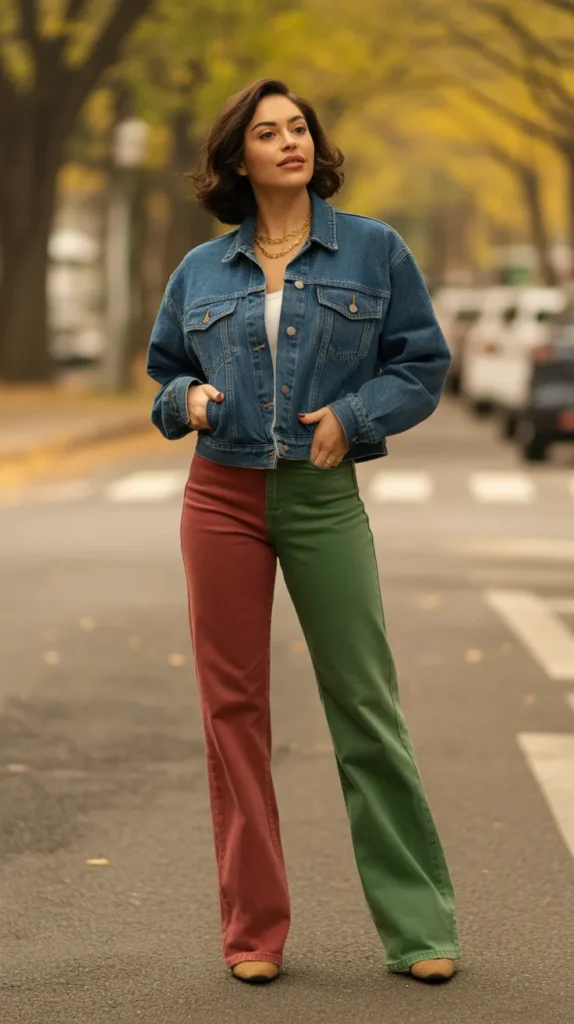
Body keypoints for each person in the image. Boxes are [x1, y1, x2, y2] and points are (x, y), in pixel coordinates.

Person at [146, 78, 460, 986]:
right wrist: (189, 399)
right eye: (267, 131)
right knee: (233, 714)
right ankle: (254, 931)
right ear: (238, 156)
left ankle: (417, 928)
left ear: (315, 148)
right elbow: (166, 374)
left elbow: (421, 363)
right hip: (221, 498)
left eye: (299, 129)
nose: (288, 142)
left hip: (321, 497)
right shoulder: (201, 270)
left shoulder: (374, 249)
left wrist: (354, 418)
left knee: (364, 702)